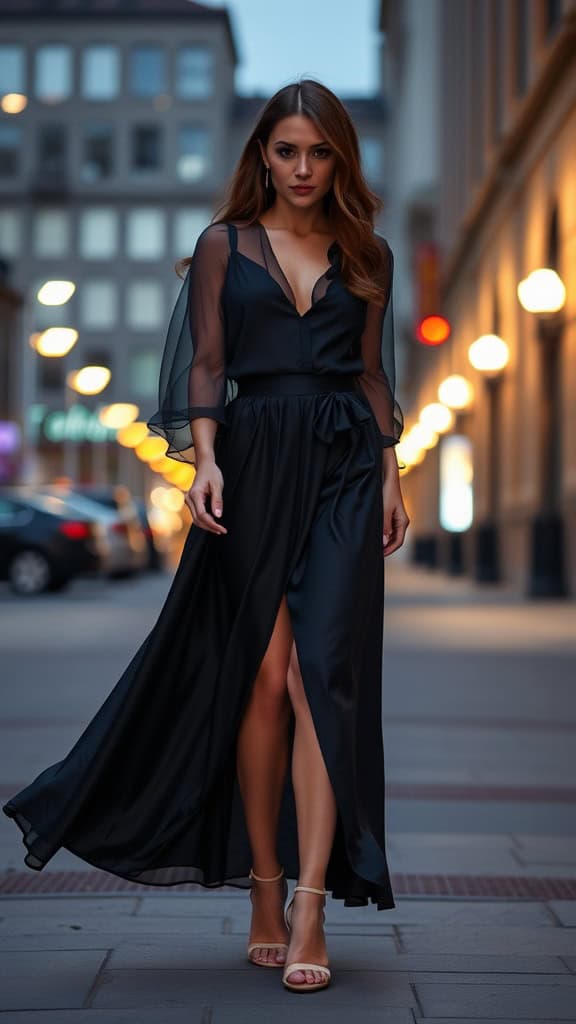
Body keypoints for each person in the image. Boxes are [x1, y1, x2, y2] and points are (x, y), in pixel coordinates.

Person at [3, 78, 409, 994]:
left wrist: (390, 474)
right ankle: (264, 886)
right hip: (256, 461)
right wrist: (205, 462)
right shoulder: (222, 245)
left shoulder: (368, 251)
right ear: (261, 155)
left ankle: (310, 904)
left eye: (320, 153)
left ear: (340, 158)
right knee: (263, 680)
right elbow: (208, 362)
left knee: (323, 678)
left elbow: (375, 377)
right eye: (286, 151)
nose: (302, 169)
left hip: (345, 464)